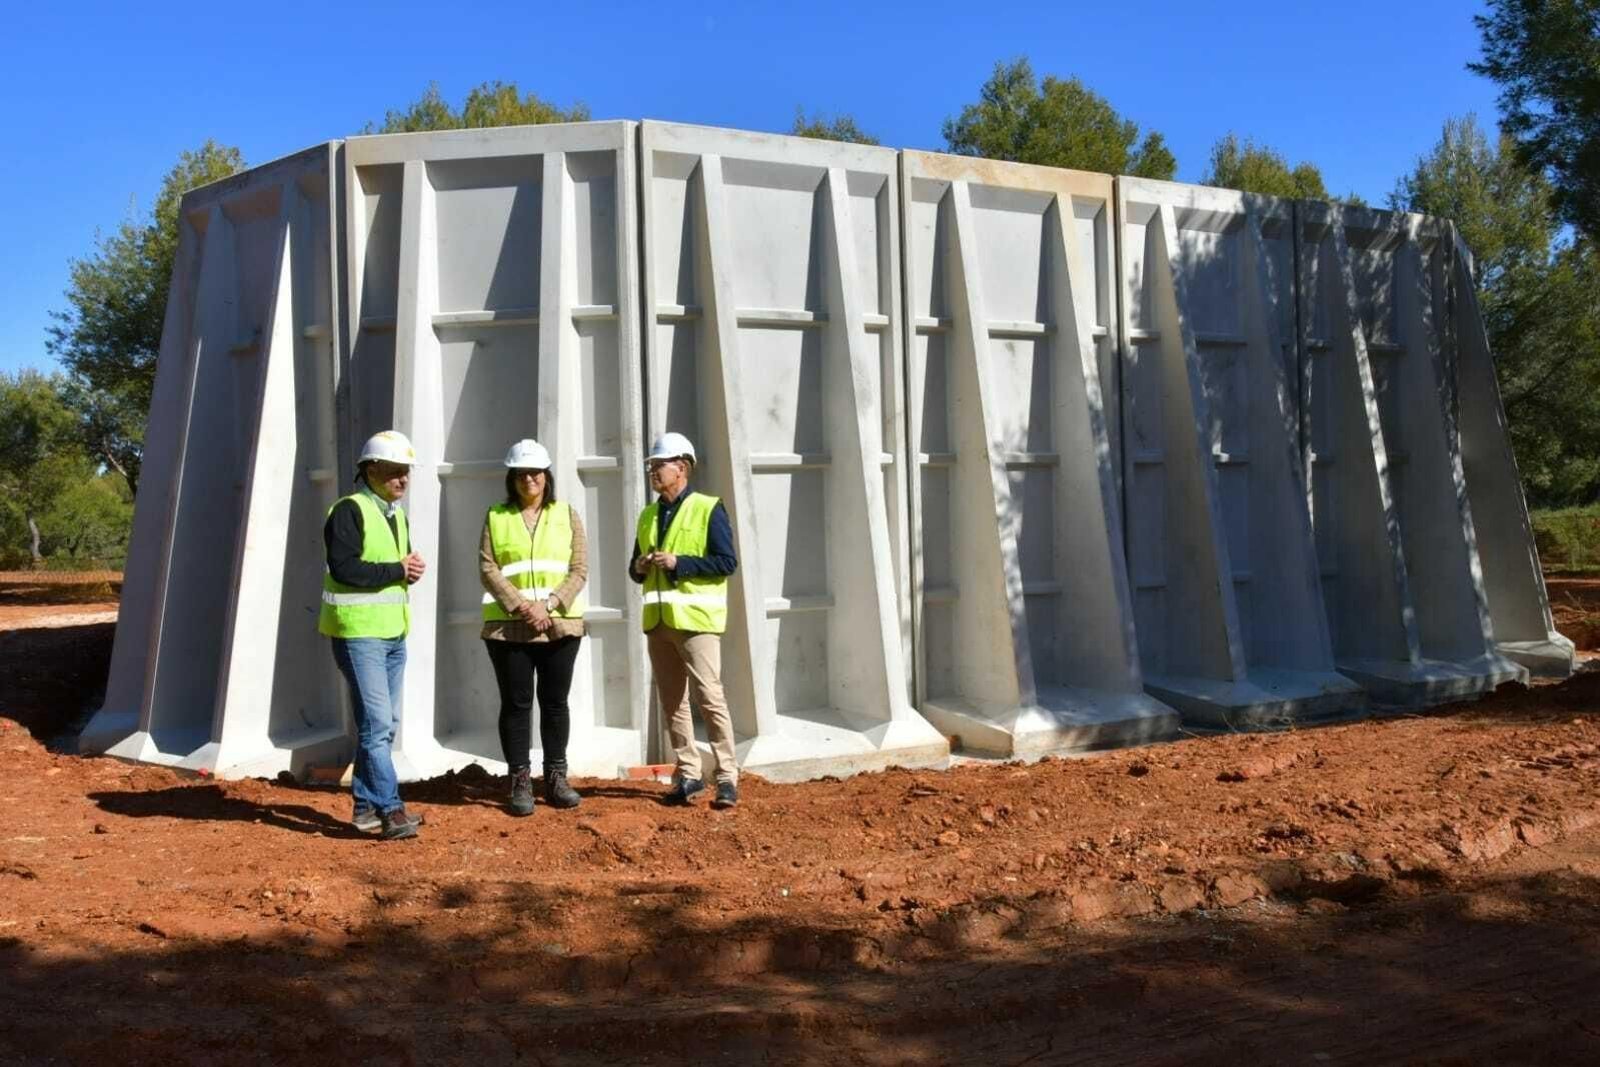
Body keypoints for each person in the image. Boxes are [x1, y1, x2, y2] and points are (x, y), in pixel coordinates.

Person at [319, 430, 427, 841]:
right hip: (359, 634)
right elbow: (347, 569)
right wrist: (399, 570)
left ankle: (364, 808)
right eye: (394, 471)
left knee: (381, 723)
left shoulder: (394, 514)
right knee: (378, 724)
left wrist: (408, 571)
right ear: (370, 470)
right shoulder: (349, 510)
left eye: (406, 472)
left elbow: (393, 567)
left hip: (392, 633)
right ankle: (391, 808)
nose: (403, 479)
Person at [628, 432, 740, 809]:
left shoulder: (709, 508)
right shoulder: (647, 515)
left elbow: (727, 563)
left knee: (710, 697)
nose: (653, 471)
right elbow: (634, 569)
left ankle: (727, 777)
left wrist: (681, 564)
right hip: (659, 622)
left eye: (658, 464)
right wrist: (641, 566)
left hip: (696, 621)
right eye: (651, 465)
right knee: (672, 701)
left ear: (682, 467)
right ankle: (689, 773)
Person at [480, 439, 588, 816]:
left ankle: (556, 776)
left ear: (547, 476)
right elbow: (488, 568)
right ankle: (520, 780)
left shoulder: (568, 514)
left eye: (536, 472)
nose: (530, 479)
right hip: (509, 627)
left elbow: (579, 569)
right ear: (512, 477)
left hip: (560, 625)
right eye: (522, 473)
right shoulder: (496, 516)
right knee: (516, 703)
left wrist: (550, 604)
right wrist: (525, 607)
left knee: (555, 703)